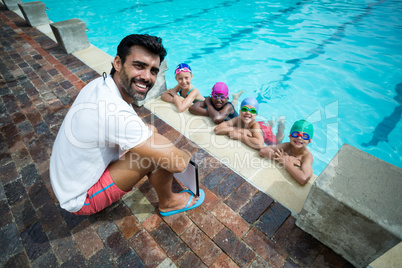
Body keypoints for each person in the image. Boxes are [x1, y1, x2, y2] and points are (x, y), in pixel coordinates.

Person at [49, 34, 204, 216]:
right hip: (79, 197)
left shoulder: (101, 84)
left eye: (153, 71)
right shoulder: (113, 111)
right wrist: (185, 155)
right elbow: (178, 164)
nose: (147, 77)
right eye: (139, 66)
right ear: (118, 63)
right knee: (154, 155)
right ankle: (169, 202)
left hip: (67, 177)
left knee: (151, 134)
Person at [259, 119, 314, 186]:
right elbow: (263, 151)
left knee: (278, 138)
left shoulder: (306, 156)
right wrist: (283, 158)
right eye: (295, 134)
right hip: (281, 149)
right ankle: (280, 124)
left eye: (305, 136)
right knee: (278, 139)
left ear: (309, 140)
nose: (299, 138)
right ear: (290, 136)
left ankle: (281, 124)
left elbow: (304, 179)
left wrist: (286, 162)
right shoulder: (287, 146)